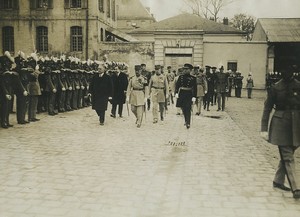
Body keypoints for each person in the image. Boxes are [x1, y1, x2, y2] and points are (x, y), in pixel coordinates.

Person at [261, 66, 300, 199]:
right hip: (280, 124)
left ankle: (278, 180)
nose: (287, 73)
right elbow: (267, 108)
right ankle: (296, 188)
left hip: (296, 124)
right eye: (284, 71)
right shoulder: (275, 87)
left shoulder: (298, 85)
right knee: (288, 156)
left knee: (290, 152)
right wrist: (264, 129)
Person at [175, 63, 197, 129]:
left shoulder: (193, 78)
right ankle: (186, 120)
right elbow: (177, 85)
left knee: (188, 108)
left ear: (190, 70)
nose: (185, 70)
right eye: (184, 69)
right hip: (181, 94)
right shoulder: (180, 77)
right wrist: (176, 93)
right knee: (183, 108)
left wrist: (194, 97)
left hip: (188, 94)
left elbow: (195, 88)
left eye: (186, 69)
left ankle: (188, 123)